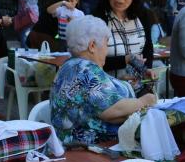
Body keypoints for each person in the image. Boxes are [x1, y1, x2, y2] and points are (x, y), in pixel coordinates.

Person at [50, 16, 156, 144]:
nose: (107, 50)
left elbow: (93, 97)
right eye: (107, 44)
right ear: (92, 46)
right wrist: (144, 101)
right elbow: (114, 111)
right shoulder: (86, 70)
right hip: (87, 151)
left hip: (68, 145)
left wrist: (123, 85)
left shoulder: (70, 66)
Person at [93, 0, 153, 80]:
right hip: (107, 89)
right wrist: (126, 59)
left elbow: (148, 49)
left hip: (138, 87)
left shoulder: (142, 15)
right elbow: (91, 60)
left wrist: (147, 69)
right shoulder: (98, 18)